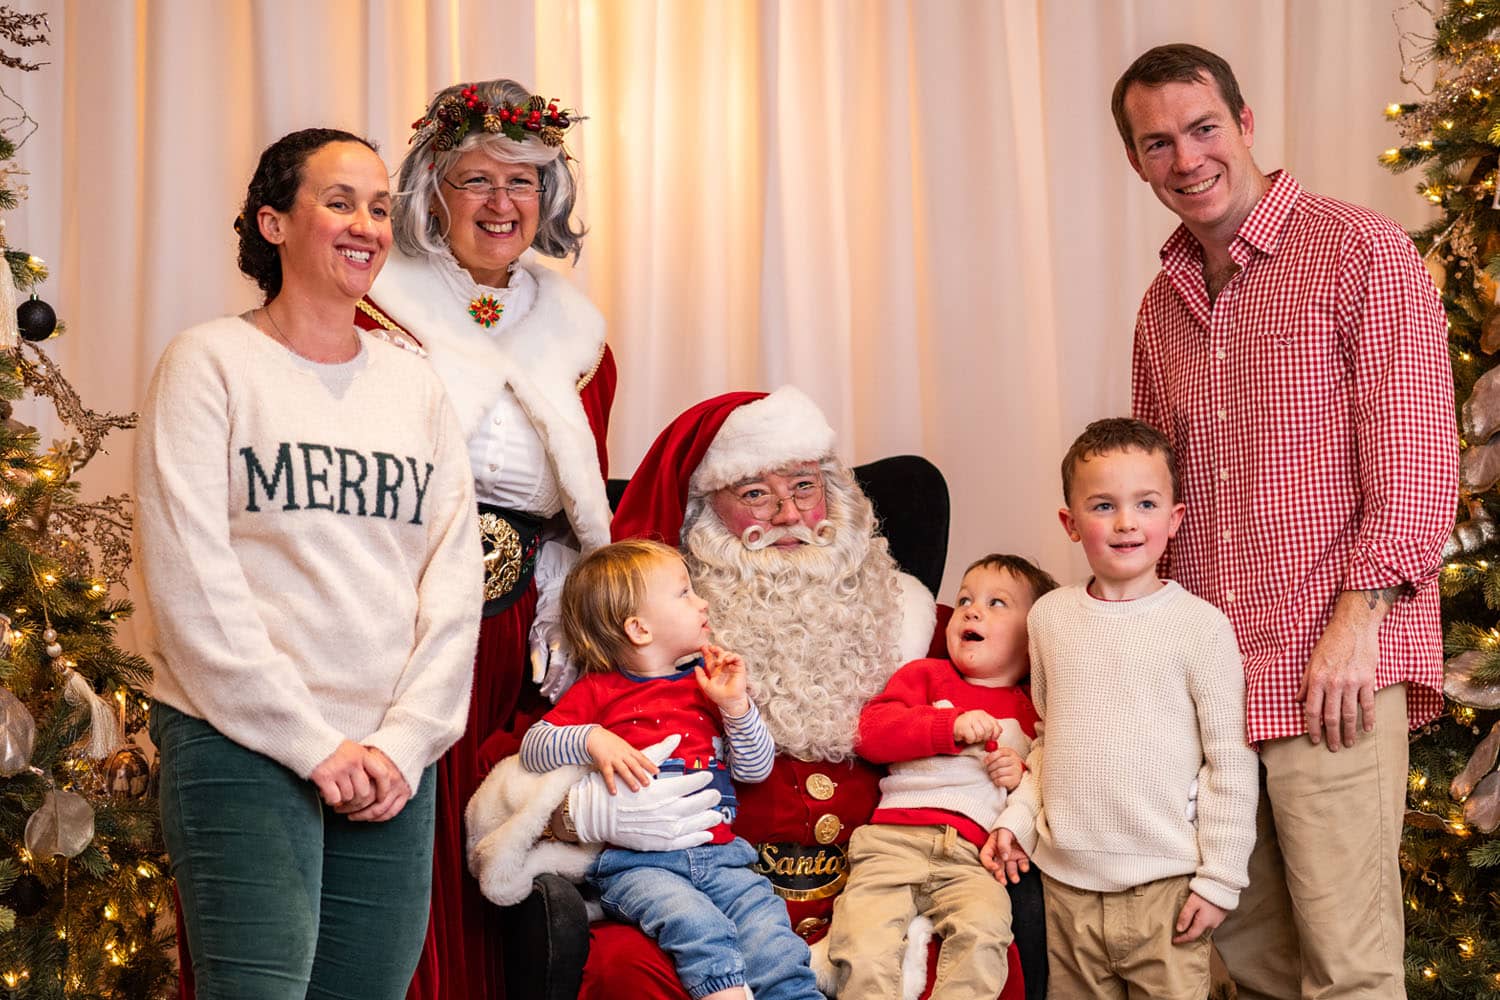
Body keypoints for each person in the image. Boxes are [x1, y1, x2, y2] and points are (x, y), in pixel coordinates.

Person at [466, 386, 1036, 1000]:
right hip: (696, 899)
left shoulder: (921, 624)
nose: (788, 514)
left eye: (804, 487)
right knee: (622, 972)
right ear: (704, 516)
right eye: (756, 494)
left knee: (977, 958)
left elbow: (1026, 723)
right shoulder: (647, 641)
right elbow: (513, 761)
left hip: (880, 895)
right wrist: (576, 816)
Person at [1115, 43, 1458, 999]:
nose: (1187, 159)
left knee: (1349, 968)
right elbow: (1155, 498)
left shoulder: (1358, 251)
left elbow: (1416, 455)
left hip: (1330, 670)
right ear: (1136, 161)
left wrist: (1357, 626)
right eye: (1157, 143)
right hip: (1210, 686)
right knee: (1248, 960)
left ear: (1245, 122)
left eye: (1203, 129)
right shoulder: (1161, 305)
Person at [136, 128, 482, 999]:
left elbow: (453, 579)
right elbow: (189, 579)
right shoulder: (209, 363)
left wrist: (405, 742)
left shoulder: (416, 384)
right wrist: (309, 742)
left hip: (388, 757)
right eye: (339, 202)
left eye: (379, 207)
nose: (367, 224)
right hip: (238, 737)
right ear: (274, 223)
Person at [352, 78, 616, 1000]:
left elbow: (578, 508)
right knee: (401, 817)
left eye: (522, 180)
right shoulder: (376, 308)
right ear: (433, 191)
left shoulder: (580, 335)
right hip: (401, 610)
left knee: (494, 817)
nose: (502, 202)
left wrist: (563, 618)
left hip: (515, 627)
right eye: (476, 179)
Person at [988, 418, 1258, 999]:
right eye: (1104, 505)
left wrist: (1220, 880)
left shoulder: (1200, 626)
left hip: (1167, 889)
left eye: (1146, 504)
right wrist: (1018, 822)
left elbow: (1231, 764)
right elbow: (1047, 741)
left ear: (1174, 519)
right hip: (1067, 891)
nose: (1126, 522)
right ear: (1070, 522)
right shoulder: (1050, 618)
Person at [520, 539, 819, 1000]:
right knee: (695, 924)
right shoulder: (599, 692)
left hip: (723, 858)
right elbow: (532, 748)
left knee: (771, 935)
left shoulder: (706, 685)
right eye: (684, 593)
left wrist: (735, 706)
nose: (702, 603)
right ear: (640, 629)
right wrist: (591, 737)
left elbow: (756, 769)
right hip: (638, 866)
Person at [826, 553, 1055, 1000]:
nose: (972, 610)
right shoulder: (926, 676)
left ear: (1033, 639)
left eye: (996, 603)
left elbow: (1041, 785)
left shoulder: (1034, 708)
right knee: (862, 940)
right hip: (893, 841)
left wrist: (1018, 772)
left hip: (972, 858)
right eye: (965, 599)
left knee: (986, 935)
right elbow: (870, 733)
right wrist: (947, 726)